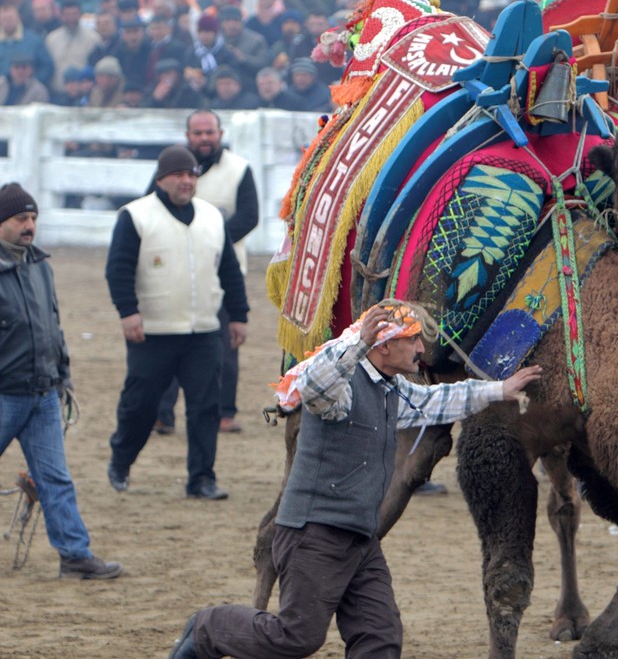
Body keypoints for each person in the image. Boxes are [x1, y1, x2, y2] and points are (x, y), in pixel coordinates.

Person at [167, 302, 544, 658]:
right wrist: (359, 342)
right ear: (383, 347)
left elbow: (437, 402)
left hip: (360, 539)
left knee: (379, 637)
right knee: (297, 636)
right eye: (411, 339)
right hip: (314, 535)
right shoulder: (341, 389)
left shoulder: (390, 388)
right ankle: (205, 629)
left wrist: (500, 389)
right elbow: (315, 385)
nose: (420, 346)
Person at [104, 146, 249, 500]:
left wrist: (239, 315)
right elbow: (118, 269)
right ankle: (121, 458)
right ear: (161, 179)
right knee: (141, 405)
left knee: (205, 407)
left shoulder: (212, 217)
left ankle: (201, 479)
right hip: (153, 332)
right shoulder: (135, 216)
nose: (187, 181)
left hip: (203, 331)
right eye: (179, 174)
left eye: (192, 174)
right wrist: (128, 312)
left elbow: (229, 270)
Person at [0, 183, 123, 581]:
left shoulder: (41, 266)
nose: (29, 225)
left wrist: (62, 375)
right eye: (20, 218)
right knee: (55, 478)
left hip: (43, 393)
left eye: (33, 218)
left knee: (55, 478)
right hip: (5, 393)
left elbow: (52, 327)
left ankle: (74, 555)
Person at [154, 110, 258, 437]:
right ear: (187, 136)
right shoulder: (171, 169)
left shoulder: (240, 169)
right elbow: (152, 206)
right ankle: (163, 414)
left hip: (225, 271)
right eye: (197, 133)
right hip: (176, 270)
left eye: (209, 132)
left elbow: (249, 217)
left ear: (220, 133)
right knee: (170, 338)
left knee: (226, 343)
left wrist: (209, 241)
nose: (204, 138)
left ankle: (225, 413)